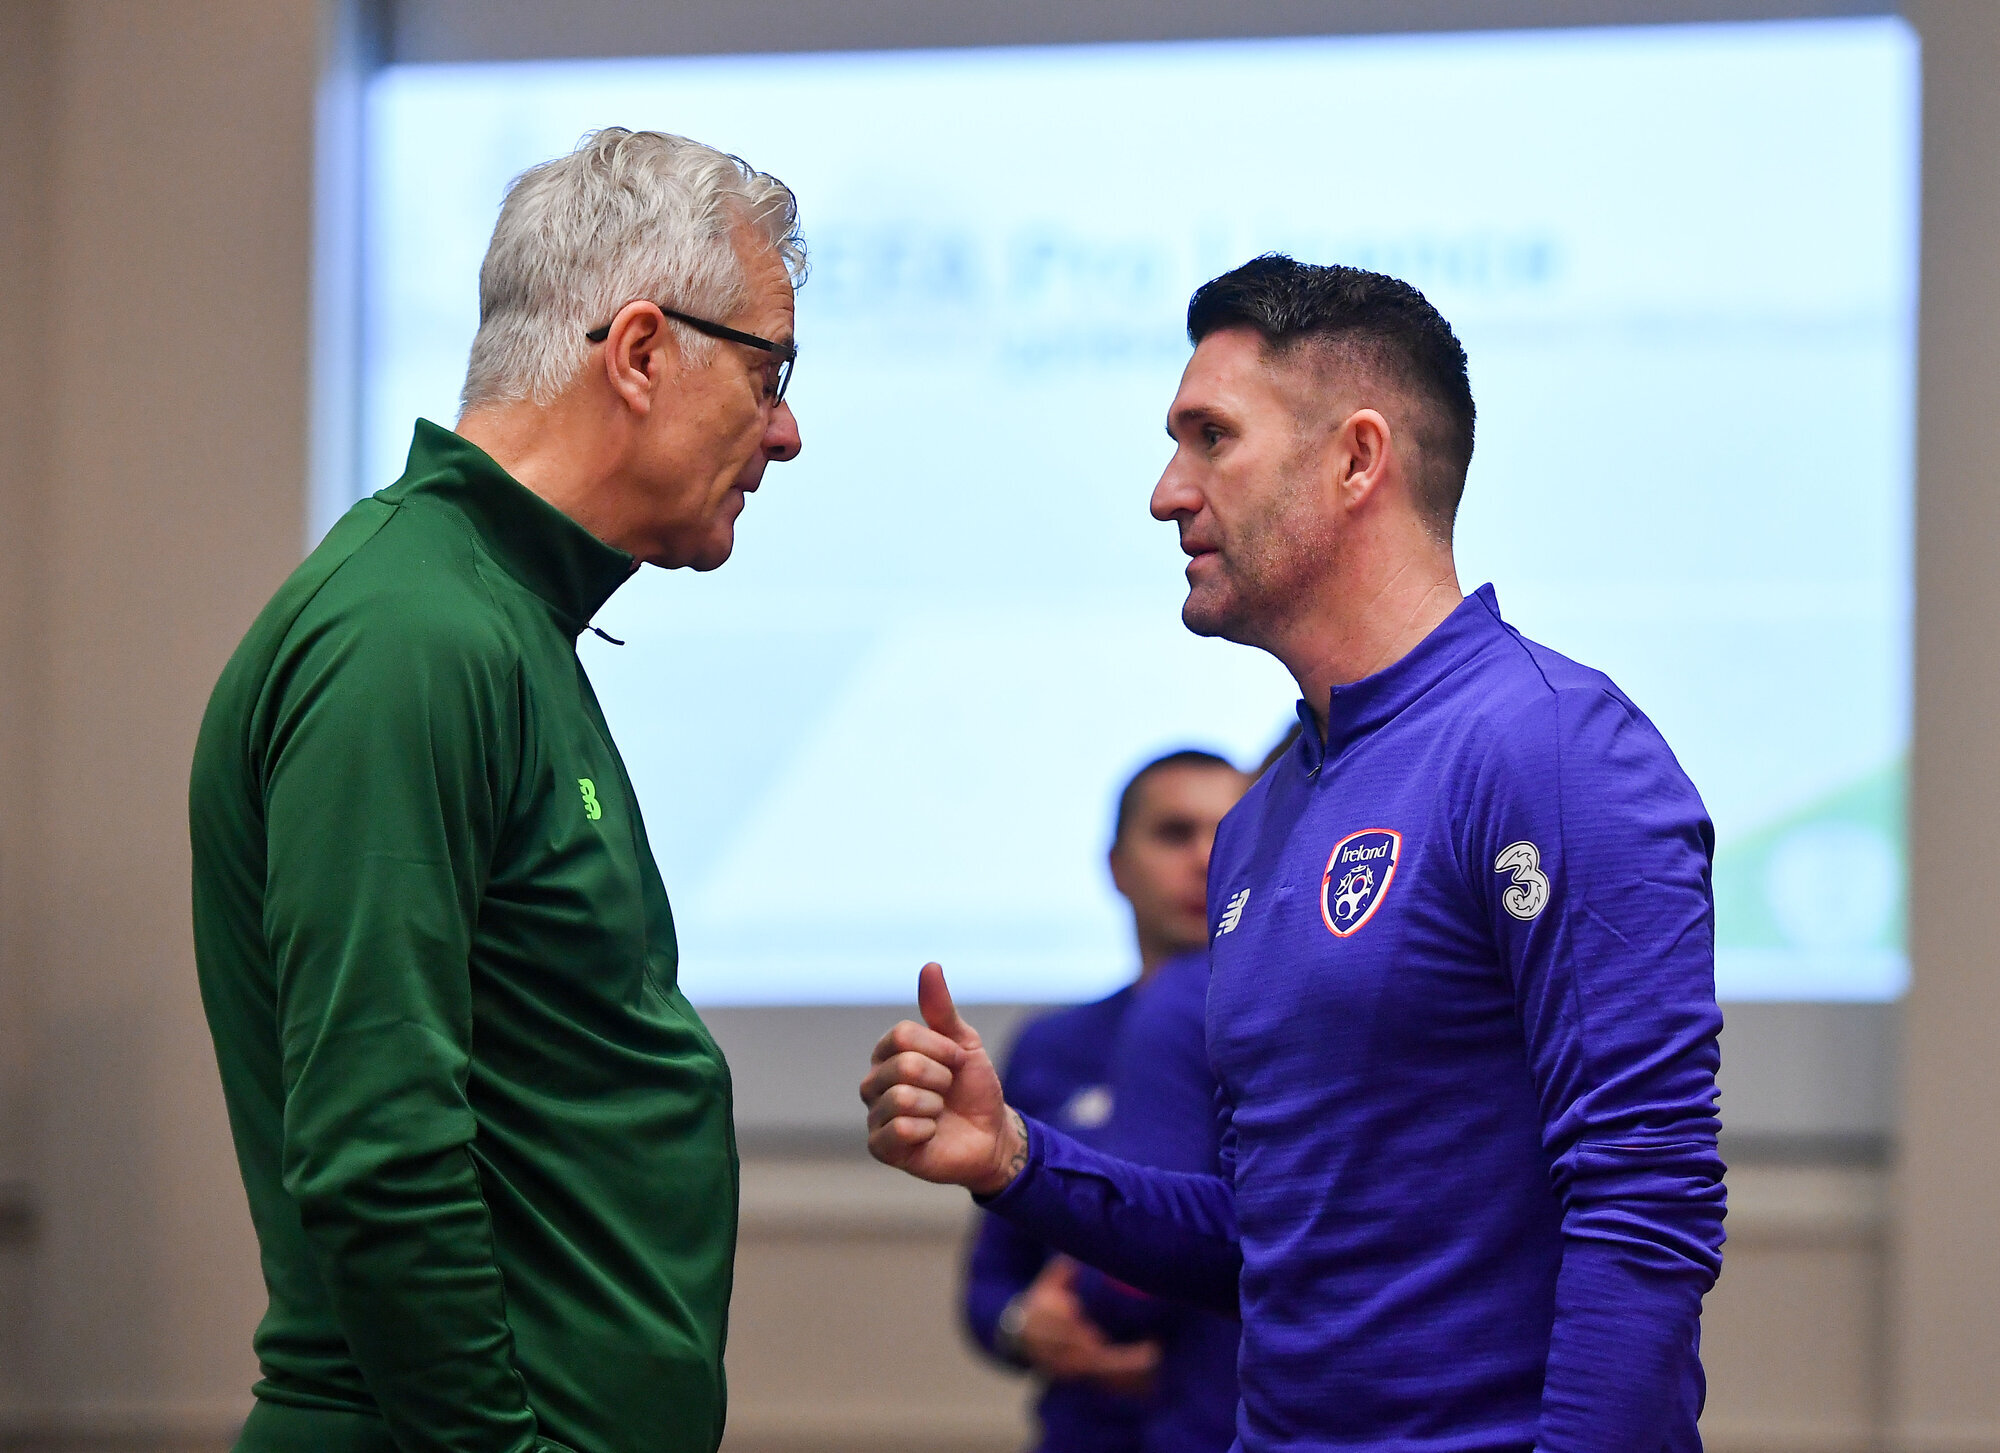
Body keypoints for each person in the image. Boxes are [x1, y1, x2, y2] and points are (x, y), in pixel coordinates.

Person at [861, 256, 1727, 1453]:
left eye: (1210, 437)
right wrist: (1014, 1157)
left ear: (1356, 460)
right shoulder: (1262, 819)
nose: (1166, 492)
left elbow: (1644, 1204)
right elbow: (1275, 1247)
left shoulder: (1548, 747)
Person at [189, 129, 804, 1453]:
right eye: (769, 373)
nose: (788, 431)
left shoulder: (497, 615)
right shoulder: (413, 633)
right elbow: (379, 1143)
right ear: (639, 353)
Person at [966, 749, 1246, 1453]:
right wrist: (1027, 1324)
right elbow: (989, 1282)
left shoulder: (1290, 1042)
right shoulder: (1053, 1045)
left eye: (1228, 833)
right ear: (1117, 865)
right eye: (1175, 833)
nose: (1204, 858)